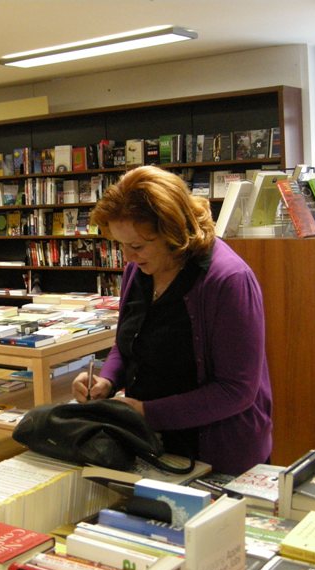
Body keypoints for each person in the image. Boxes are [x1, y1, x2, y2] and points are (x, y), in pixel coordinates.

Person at [72, 165, 272, 475]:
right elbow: (130, 344)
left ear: (173, 232)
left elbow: (236, 390)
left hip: (218, 453)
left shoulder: (228, 280)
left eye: (137, 246)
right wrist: (107, 380)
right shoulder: (138, 271)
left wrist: (147, 412)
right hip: (152, 444)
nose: (127, 256)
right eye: (120, 244)